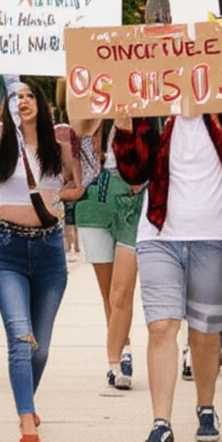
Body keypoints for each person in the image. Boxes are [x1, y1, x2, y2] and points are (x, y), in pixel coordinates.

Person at [113, 106, 222, 442]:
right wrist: (125, 129)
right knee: (161, 327)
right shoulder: (155, 107)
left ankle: (205, 407)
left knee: (206, 333)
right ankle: (161, 423)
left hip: (212, 237)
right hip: (159, 234)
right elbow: (133, 173)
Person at [0, 79, 83, 442]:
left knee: (39, 349)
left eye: (29, 96)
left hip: (49, 253)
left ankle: (28, 403)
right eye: (15, 97)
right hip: (7, 249)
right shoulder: (0, 143)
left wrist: (57, 196)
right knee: (21, 338)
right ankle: (27, 424)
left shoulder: (59, 146)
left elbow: (77, 186)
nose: (22, 101)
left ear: (40, 103)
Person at [71, 119, 144, 394]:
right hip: (93, 201)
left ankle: (119, 356)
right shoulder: (91, 100)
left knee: (121, 291)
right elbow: (76, 133)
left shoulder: (141, 108)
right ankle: (121, 351)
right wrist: (101, 113)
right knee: (108, 291)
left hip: (131, 197)